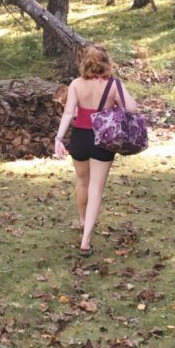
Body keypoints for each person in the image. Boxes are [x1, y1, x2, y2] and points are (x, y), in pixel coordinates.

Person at [54, 44, 138, 257]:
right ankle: (86, 240)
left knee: (82, 182)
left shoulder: (75, 84)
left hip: (80, 138)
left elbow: (68, 112)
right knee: (96, 188)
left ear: (85, 63)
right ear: (106, 62)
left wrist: (59, 138)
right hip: (104, 139)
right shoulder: (113, 84)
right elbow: (132, 108)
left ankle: (83, 220)